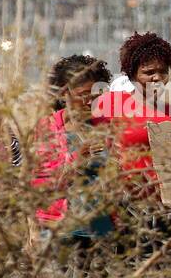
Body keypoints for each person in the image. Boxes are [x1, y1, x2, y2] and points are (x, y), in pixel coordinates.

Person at [32, 54, 116, 242]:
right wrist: (77, 160)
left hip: (100, 226)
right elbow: (42, 185)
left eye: (95, 95)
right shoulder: (48, 128)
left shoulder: (106, 125)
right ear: (64, 93)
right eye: (83, 95)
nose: (89, 102)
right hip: (60, 229)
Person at [90, 31, 171, 200]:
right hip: (123, 202)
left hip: (162, 205)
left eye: (163, 71)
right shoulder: (109, 103)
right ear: (132, 74)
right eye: (149, 72)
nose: (157, 78)